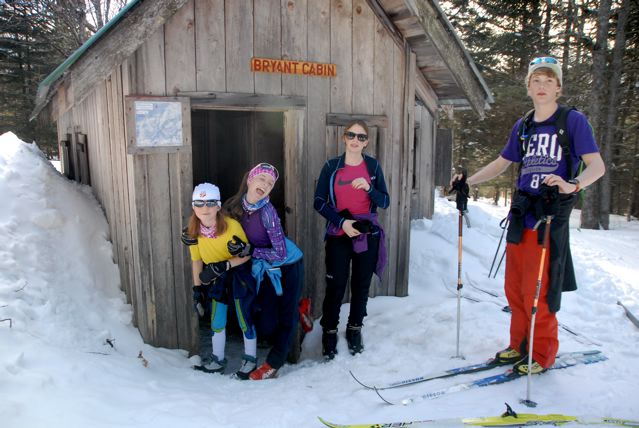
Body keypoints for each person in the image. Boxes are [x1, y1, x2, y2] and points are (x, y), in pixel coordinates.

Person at [451, 56, 605, 375]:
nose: (542, 86)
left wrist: (572, 184)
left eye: (549, 80)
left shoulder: (573, 121)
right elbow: (501, 163)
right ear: (529, 87)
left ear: (558, 87)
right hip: (521, 214)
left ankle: (541, 353)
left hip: (548, 215)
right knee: (515, 287)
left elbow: (597, 166)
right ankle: (519, 345)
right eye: (536, 80)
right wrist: (469, 181)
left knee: (539, 290)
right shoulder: (524, 126)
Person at [313, 120, 390, 359]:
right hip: (339, 233)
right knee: (335, 285)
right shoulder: (331, 166)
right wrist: (342, 222)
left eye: (361, 137)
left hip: (366, 234)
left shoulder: (372, 167)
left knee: (361, 284)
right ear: (344, 138)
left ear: (366, 142)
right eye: (351, 135)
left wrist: (369, 188)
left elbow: (385, 201)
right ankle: (329, 331)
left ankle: (355, 328)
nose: (356, 140)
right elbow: (319, 201)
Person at [225, 163, 304, 380]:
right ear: (250, 180)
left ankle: (274, 363)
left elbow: (279, 252)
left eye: (270, 183)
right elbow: (216, 226)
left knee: (286, 316)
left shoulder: (268, 213)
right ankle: (301, 308)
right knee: (267, 324)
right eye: (262, 179)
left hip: (288, 264)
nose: (266, 184)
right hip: (265, 266)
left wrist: (251, 250)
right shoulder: (234, 206)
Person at [181, 182, 257, 379]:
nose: (204, 208)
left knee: (243, 316)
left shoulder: (231, 226)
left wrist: (226, 264)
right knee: (217, 317)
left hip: (238, 272)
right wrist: (197, 289)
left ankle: (250, 359)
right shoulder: (193, 231)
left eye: (210, 203)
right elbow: (197, 260)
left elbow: (247, 254)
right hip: (217, 275)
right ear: (193, 207)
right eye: (199, 203)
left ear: (218, 206)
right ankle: (218, 359)